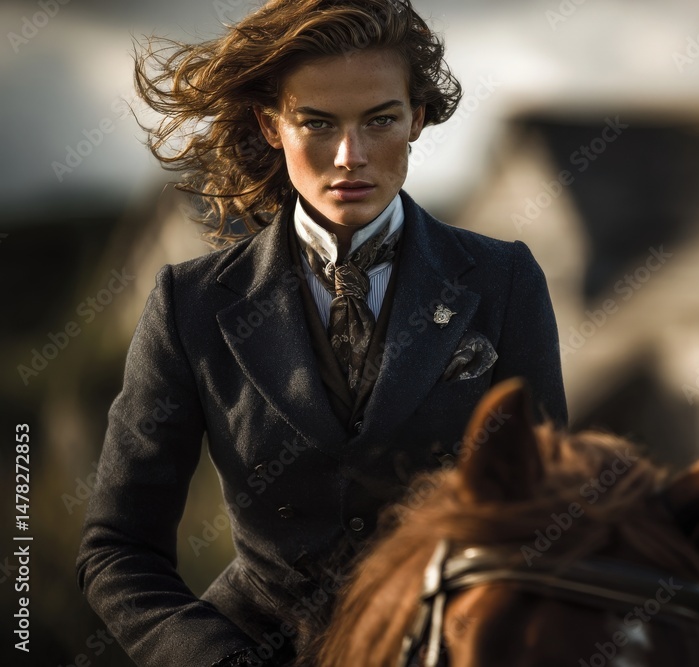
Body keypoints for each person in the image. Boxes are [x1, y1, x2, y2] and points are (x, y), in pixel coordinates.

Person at [75, 2, 567, 666]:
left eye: (381, 120)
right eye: (317, 122)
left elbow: (544, 517)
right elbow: (118, 547)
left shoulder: (505, 282)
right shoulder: (187, 306)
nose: (350, 156)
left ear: (417, 118)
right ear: (270, 124)